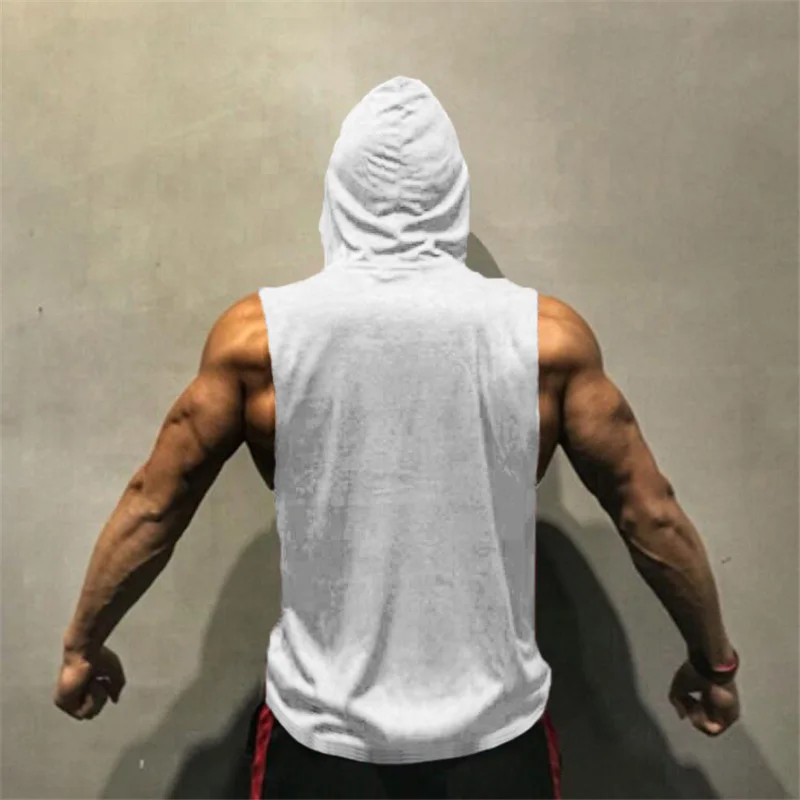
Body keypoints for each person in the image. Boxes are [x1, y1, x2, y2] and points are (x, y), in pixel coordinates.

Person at [54, 76, 740, 799]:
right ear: (453, 194)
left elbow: (155, 502)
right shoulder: (546, 341)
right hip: (492, 751)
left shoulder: (258, 341)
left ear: (338, 193)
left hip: (324, 751)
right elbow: (649, 510)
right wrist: (713, 663)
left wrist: (82, 644)